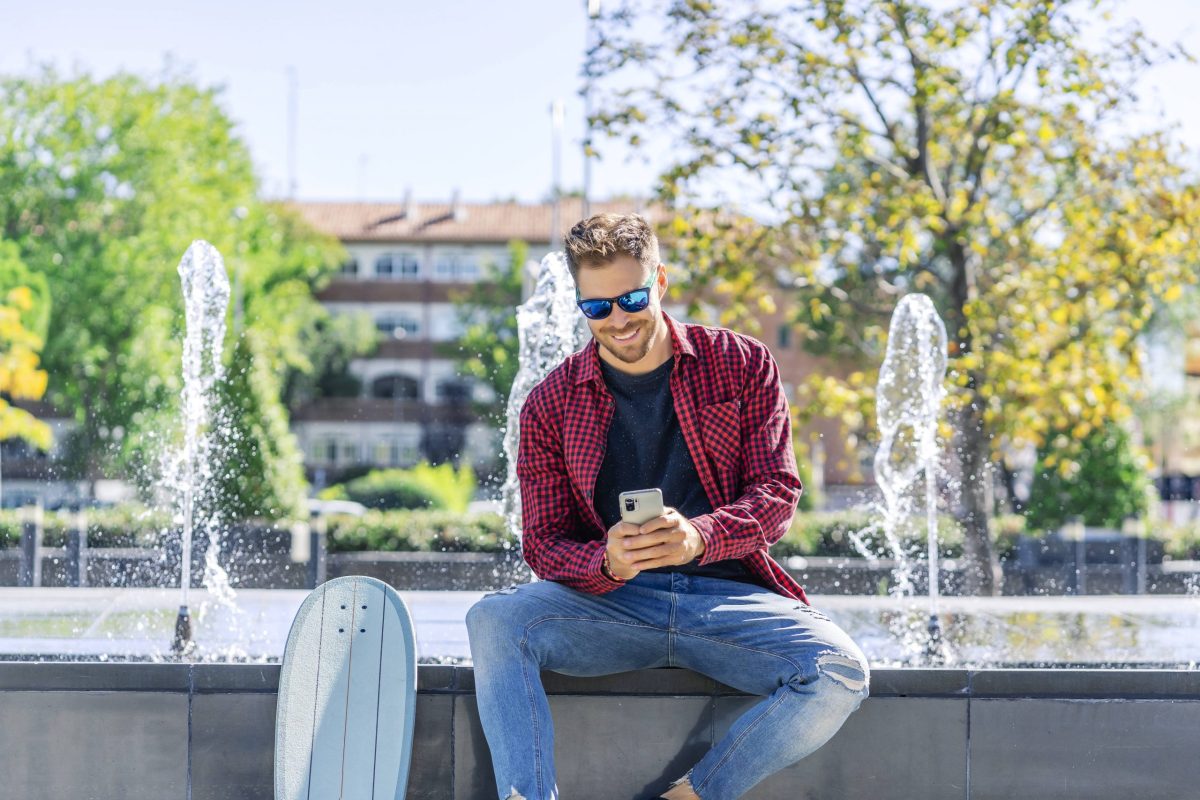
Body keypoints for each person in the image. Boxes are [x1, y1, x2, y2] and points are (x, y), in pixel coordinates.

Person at [466, 213, 869, 800]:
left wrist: (700, 537)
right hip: (611, 607)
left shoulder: (742, 364)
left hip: (728, 600)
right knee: (493, 620)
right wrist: (607, 564)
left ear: (660, 281)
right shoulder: (549, 405)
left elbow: (777, 494)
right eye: (596, 307)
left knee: (841, 671)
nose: (617, 320)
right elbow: (543, 543)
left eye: (630, 298)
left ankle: (695, 794)